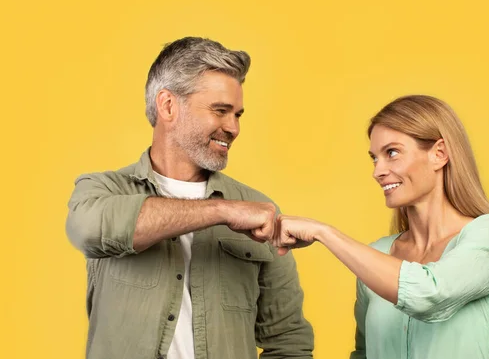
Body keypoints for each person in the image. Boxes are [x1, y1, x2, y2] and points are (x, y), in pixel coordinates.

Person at [66, 36, 314, 359]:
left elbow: (288, 340)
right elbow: (87, 229)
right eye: (220, 111)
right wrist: (221, 212)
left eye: (237, 114)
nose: (234, 128)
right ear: (168, 106)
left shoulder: (262, 212)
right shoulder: (103, 191)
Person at [273, 95, 489, 359]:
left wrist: (324, 232)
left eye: (392, 153)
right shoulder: (378, 254)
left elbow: (429, 294)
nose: (378, 171)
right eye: (374, 158)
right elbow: (364, 354)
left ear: (439, 154)